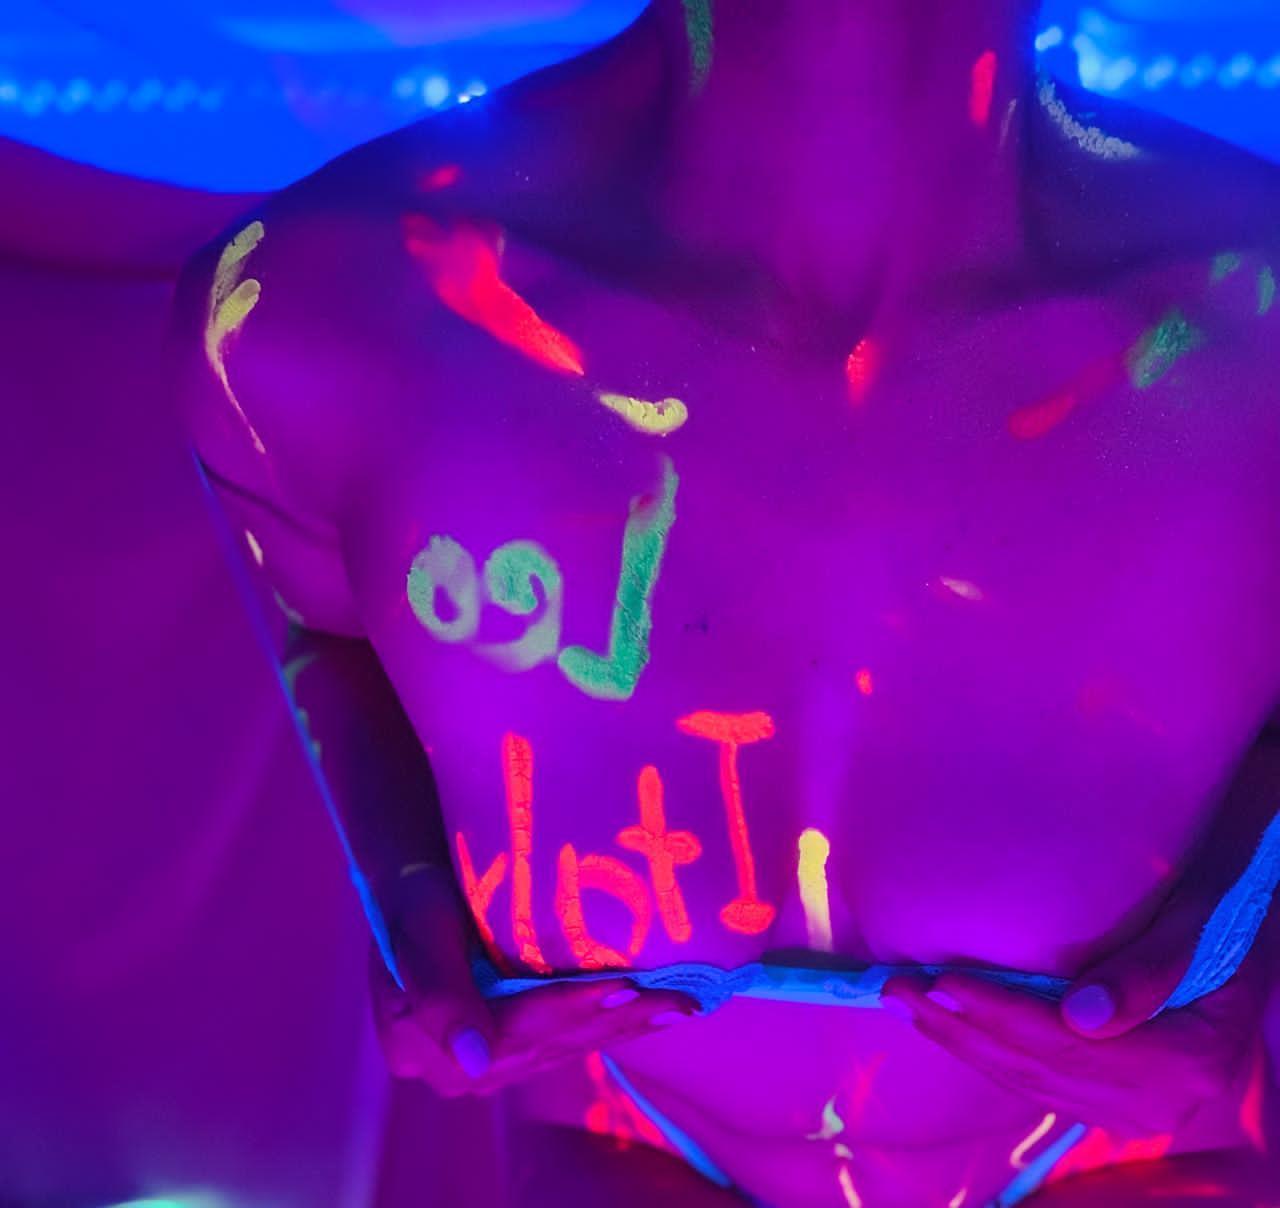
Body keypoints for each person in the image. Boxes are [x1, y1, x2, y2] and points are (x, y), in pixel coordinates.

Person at [171, 2, 1280, 1203]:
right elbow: (326, 625)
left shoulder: (1248, 318)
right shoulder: (308, 314)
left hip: (1127, 1150)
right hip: (629, 1133)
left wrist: (1253, 926)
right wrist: (401, 890)